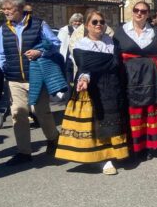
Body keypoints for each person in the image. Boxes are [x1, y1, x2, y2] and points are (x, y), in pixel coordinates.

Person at [55, 10, 128, 174]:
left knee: (111, 122)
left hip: (112, 86)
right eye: (94, 22)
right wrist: (85, 79)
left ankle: (112, 154)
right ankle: (104, 159)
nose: (99, 25)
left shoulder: (112, 42)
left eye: (101, 22)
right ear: (87, 25)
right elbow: (85, 66)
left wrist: (103, 65)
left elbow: (116, 64)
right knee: (95, 124)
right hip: (92, 87)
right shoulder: (82, 45)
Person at [0, 0, 61, 166]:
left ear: (20, 8)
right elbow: (0, 54)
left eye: (9, 9)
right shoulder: (3, 28)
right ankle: (24, 152)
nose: (6, 12)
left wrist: (41, 52)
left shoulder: (38, 24)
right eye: (4, 9)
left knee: (41, 112)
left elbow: (55, 44)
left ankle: (53, 139)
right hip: (14, 79)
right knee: (18, 113)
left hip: (36, 76)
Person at [114, 1, 157, 159]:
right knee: (132, 111)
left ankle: (148, 146)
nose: (139, 13)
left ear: (148, 14)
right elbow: (113, 57)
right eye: (136, 10)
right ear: (132, 11)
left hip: (151, 77)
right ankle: (132, 146)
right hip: (128, 78)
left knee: (149, 111)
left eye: (143, 11)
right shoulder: (120, 32)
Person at [57, 13, 83, 83]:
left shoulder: (83, 31)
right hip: (68, 60)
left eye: (79, 21)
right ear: (71, 21)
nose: (77, 23)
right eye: (75, 21)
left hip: (79, 60)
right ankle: (68, 93)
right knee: (69, 81)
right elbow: (60, 44)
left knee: (78, 81)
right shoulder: (65, 30)